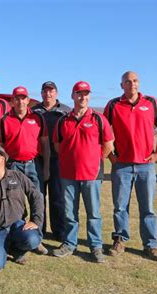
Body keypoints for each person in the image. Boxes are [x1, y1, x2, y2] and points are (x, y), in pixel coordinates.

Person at [104, 71, 157, 261]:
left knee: (147, 207)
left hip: (146, 166)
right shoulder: (114, 104)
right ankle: (120, 239)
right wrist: (111, 156)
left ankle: (150, 245)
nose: (132, 84)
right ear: (121, 85)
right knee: (120, 207)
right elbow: (103, 130)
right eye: (127, 82)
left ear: (139, 83)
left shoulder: (151, 103)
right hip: (121, 166)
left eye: (135, 81)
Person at [51, 81, 114, 263]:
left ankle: (95, 246)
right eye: (79, 93)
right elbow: (57, 145)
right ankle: (69, 244)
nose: (83, 97)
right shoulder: (64, 120)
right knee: (70, 213)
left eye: (86, 94)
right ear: (73, 96)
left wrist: (93, 160)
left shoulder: (98, 119)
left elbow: (108, 145)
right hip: (68, 175)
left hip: (92, 175)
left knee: (93, 213)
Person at [0, 86, 50, 254]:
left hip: (33, 163)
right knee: (16, 202)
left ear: (28, 100)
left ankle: (37, 237)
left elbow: (45, 144)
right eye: (17, 98)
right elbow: (0, 147)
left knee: (38, 198)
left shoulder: (38, 118)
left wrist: (47, 166)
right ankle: (19, 236)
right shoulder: (5, 120)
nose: (20, 101)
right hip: (13, 165)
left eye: (23, 98)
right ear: (12, 101)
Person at [32, 81, 71, 241]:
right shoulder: (34, 112)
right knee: (39, 196)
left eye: (51, 91)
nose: (48, 94)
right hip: (37, 159)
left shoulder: (65, 112)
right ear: (41, 93)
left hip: (58, 159)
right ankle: (39, 230)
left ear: (56, 93)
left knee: (57, 197)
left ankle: (59, 231)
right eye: (45, 91)